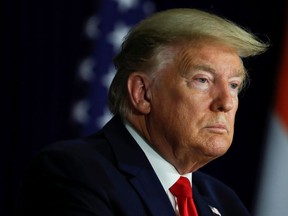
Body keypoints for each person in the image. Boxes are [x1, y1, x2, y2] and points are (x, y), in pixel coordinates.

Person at [17, 8, 268, 216]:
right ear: (142, 93)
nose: (226, 102)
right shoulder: (75, 172)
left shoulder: (224, 201)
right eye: (202, 80)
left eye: (234, 85)